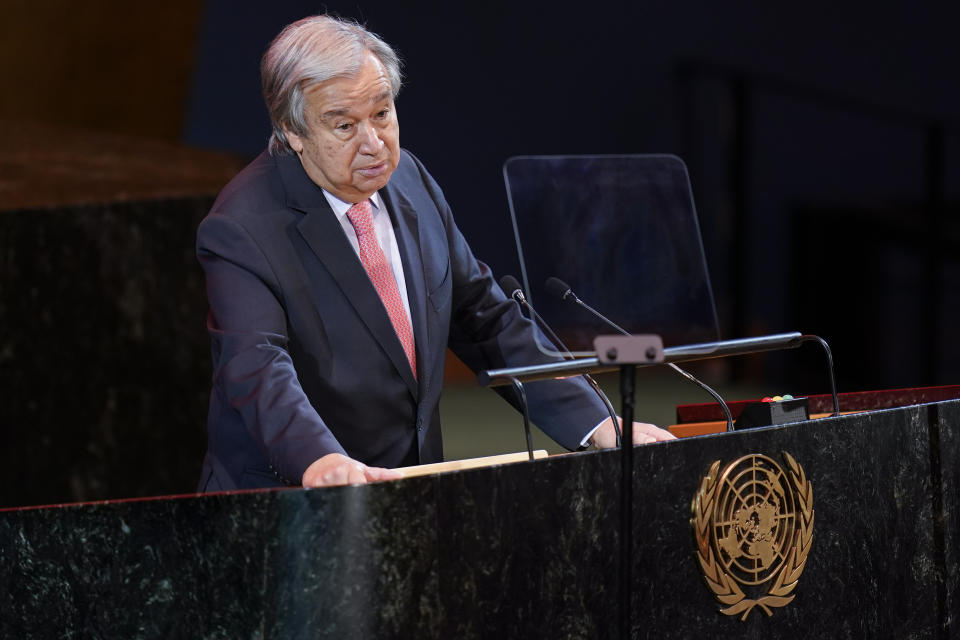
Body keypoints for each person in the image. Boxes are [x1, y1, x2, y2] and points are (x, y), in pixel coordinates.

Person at [195, 14, 674, 492]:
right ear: (291, 131)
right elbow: (256, 367)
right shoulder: (242, 227)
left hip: (410, 491)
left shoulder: (410, 181)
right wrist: (320, 460)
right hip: (286, 504)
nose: (373, 144)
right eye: (344, 126)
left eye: (382, 114)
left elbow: (485, 318)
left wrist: (599, 425)